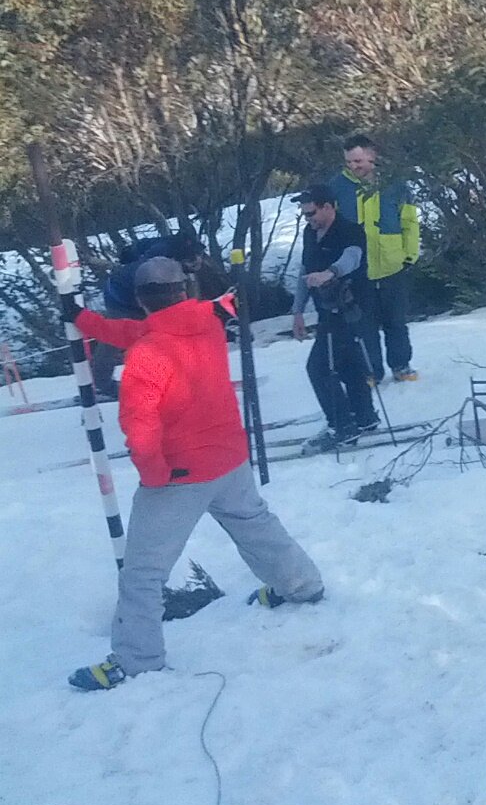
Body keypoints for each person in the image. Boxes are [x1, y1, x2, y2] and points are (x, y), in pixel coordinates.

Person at [68, 257, 324, 690]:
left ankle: (136, 661)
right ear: (184, 292)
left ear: (139, 301)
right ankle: (302, 586)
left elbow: (139, 423)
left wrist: (154, 476)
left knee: (143, 571)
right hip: (229, 457)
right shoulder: (206, 318)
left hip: (180, 474)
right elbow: (135, 333)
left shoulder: (149, 353)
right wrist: (84, 320)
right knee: (257, 526)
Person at [289, 187, 379, 446]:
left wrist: (330, 272)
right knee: (348, 363)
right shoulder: (309, 234)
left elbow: (353, 258)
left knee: (319, 367)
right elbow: (305, 272)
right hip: (325, 309)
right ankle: (364, 416)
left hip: (352, 308)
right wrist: (297, 311)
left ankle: (342, 424)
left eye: (312, 213)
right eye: (304, 215)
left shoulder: (349, 230)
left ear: (328, 206)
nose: (308, 219)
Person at [333, 134, 421, 384]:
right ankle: (370, 371)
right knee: (364, 326)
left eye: (358, 160)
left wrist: (409, 254)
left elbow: (410, 221)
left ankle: (401, 365)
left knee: (396, 321)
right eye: (349, 162)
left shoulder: (396, 185)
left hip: (393, 264)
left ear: (373, 156)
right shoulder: (337, 187)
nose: (354, 166)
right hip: (358, 270)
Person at [89, 232, 203, 401]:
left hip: (146, 295)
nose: (197, 263)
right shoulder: (154, 270)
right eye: (192, 262)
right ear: (179, 260)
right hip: (121, 299)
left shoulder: (179, 253)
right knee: (117, 338)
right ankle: (102, 384)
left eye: (198, 258)